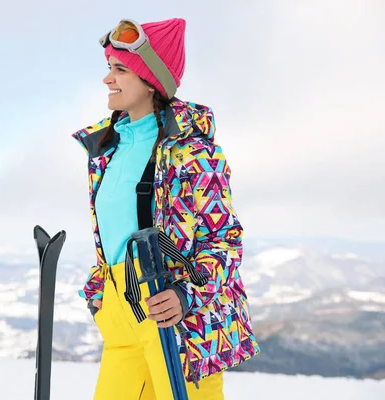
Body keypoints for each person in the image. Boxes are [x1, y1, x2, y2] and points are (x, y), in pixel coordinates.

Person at [72, 18, 261, 399]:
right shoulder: (107, 149)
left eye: (120, 69)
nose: (108, 80)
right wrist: (100, 293)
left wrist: (185, 294)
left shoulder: (193, 153)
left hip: (177, 322)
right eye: (109, 68)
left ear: (151, 81)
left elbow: (225, 239)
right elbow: (113, 233)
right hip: (122, 318)